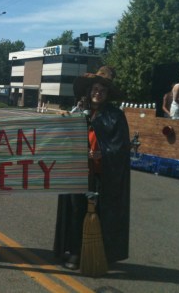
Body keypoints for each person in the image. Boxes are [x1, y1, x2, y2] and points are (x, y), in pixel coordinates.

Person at [54, 66, 130, 270]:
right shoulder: (79, 111)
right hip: (76, 172)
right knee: (74, 211)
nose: (98, 93)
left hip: (100, 175)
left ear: (107, 94)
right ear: (89, 90)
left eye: (102, 90)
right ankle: (73, 250)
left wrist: (102, 154)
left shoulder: (115, 116)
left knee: (97, 214)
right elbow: (64, 137)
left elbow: (121, 147)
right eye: (95, 89)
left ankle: (90, 252)